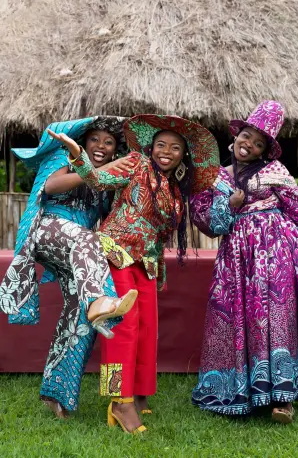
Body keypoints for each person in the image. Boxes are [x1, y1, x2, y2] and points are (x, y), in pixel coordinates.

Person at [49, 113, 220, 433]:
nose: (165, 151)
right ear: (150, 147)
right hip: (115, 254)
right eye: (160, 145)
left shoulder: (174, 188)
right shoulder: (136, 163)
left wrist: (159, 273)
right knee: (123, 328)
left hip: (147, 265)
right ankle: (119, 400)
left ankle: (139, 394)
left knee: (146, 331)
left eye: (174, 148)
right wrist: (77, 156)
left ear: (184, 155)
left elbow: (159, 235)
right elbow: (98, 180)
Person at [190, 101, 298, 424]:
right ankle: (244, 390)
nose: (249, 145)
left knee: (278, 316)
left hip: (280, 251)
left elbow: (297, 212)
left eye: (258, 144)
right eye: (247, 136)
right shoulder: (216, 178)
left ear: (265, 151)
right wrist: (230, 204)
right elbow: (209, 225)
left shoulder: (275, 172)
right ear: (237, 133)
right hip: (237, 257)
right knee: (240, 315)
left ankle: (284, 399)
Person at [0, 116, 137, 418]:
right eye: (95, 140)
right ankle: (121, 399)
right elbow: (50, 186)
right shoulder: (66, 157)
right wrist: (98, 170)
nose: (101, 146)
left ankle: (59, 394)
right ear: (84, 141)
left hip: (95, 259)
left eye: (109, 142)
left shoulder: (108, 180)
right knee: (89, 245)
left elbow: (116, 216)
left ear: (116, 149)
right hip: (52, 232)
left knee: (82, 318)